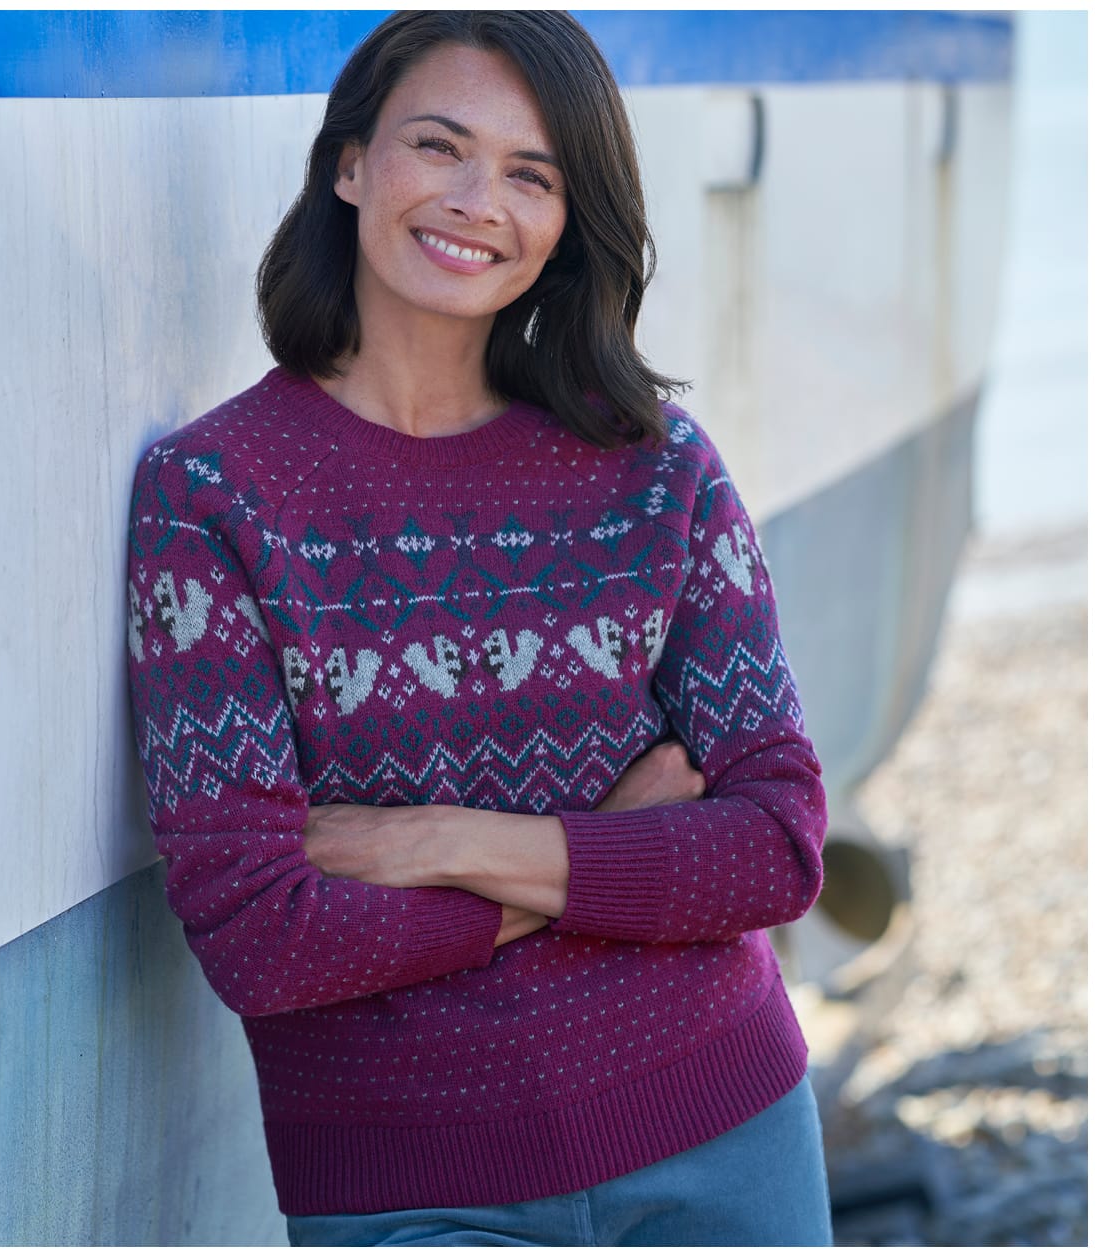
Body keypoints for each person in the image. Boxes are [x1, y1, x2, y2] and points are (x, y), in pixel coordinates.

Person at [126, 10, 833, 1247]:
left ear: (567, 221)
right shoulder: (213, 494)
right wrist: (604, 853)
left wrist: (432, 841)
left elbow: (775, 849)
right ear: (349, 164)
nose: (475, 200)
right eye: (438, 145)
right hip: (410, 1183)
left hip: (725, 1135)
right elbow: (260, 936)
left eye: (531, 173)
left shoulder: (655, 468)